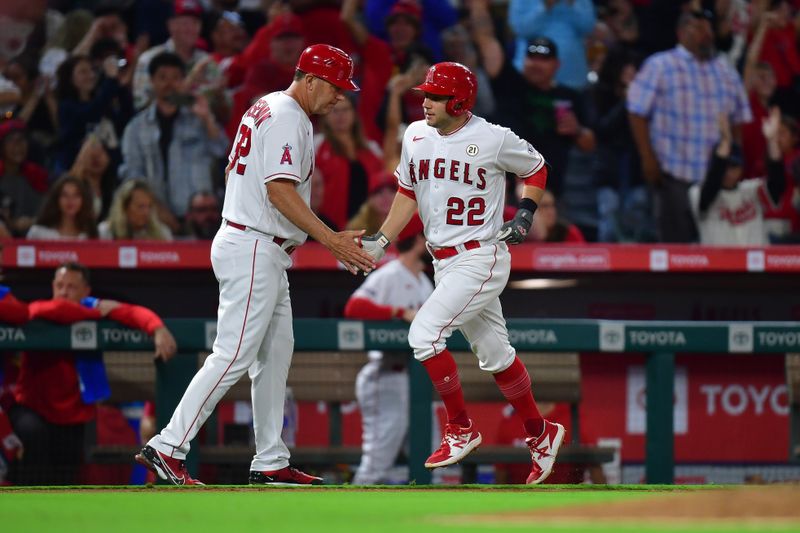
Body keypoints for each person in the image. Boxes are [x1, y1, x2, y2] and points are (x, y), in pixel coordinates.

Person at [135, 44, 376, 486]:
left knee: (275, 352)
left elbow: (237, 175)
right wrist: (331, 241)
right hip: (253, 245)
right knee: (235, 353)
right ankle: (169, 446)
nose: (341, 97)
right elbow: (279, 190)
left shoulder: (265, 105)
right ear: (310, 80)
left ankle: (270, 459)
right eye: (336, 87)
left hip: (258, 243)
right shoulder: (287, 114)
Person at [357, 62, 565, 484]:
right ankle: (540, 433)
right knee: (495, 354)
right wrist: (380, 241)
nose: (426, 101)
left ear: (458, 100)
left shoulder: (492, 137)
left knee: (423, 334)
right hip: (442, 259)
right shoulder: (415, 135)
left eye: (434, 95)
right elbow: (406, 193)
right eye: (425, 95)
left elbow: (537, 167)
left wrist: (525, 214)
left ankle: (460, 427)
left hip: (481, 255)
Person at [8, 262, 177, 485]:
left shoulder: (91, 307)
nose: (64, 292)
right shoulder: (49, 311)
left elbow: (132, 312)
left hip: (73, 415)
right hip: (32, 410)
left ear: (86, 291)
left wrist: (157, 328)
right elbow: (41, 310)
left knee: (66, 478)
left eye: (71, 287)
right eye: (59, 285)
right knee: (32, 460)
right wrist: (92, 311)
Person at [627, 9, 751, 242]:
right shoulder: (660, 65)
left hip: (715, 177)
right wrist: (647, 157)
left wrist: (735, 160)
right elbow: (636, 111)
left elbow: (738, 119)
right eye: (699, 28)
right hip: (674, 173)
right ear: (682, 31)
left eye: (709, 29)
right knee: (677, 249)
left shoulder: (725, 70)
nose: (707, 34)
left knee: (716, 244)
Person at [344, 216, 432, 485]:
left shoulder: (425, 282)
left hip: (416, 380)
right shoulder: (390, 274)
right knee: (376, 467)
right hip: (386, 375)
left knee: (436, 461)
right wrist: (397, 312)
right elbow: (353, 308)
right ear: (418, 240)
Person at [119, 52, 228, 228]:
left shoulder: (198, 119)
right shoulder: (136, 127)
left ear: (183, 81)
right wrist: (158, 210)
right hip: (153, 218)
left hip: (198, 217)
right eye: (162, 77)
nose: (169, 84)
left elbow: (221, 151)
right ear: (152, 81)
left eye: (176, 78)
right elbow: (133, 176)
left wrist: (207, 119)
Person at [691, 112, 785, 246]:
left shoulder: (752, 190)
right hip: (719, 264)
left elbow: (778, 184)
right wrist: (725, 143)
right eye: (725, 167)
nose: (728, 173)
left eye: (734, 167)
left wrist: (772, 142)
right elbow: (710, 189)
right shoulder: (697, 192)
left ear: (742, 168)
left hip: (756, 264)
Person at [27, 175, 98, 240]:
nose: (70, 200)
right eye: (65, 195)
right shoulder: (38, 232)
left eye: (76, 195)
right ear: (56, 199)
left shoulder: (89, 234)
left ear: (83, 200)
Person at [98, 180, 173, 241]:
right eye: (140, 206)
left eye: (149, 207)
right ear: (124, 207)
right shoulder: (105, 233)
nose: (146, 212)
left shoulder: (163, 234)